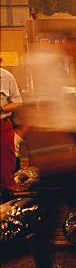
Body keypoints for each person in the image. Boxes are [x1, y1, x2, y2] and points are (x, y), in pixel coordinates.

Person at [21, 37, 76, 268]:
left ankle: (46, 255)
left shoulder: (61, 67)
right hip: (52, 150)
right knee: (48, 210)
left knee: (65, 198)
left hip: (58, 148)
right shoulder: (46, 63)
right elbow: (48, 110)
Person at [0, 63, 23, 202]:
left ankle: (7, 202)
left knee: (6, 166)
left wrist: (2, 108)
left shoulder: (6, 77)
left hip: (2, 126)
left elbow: (18, 102)